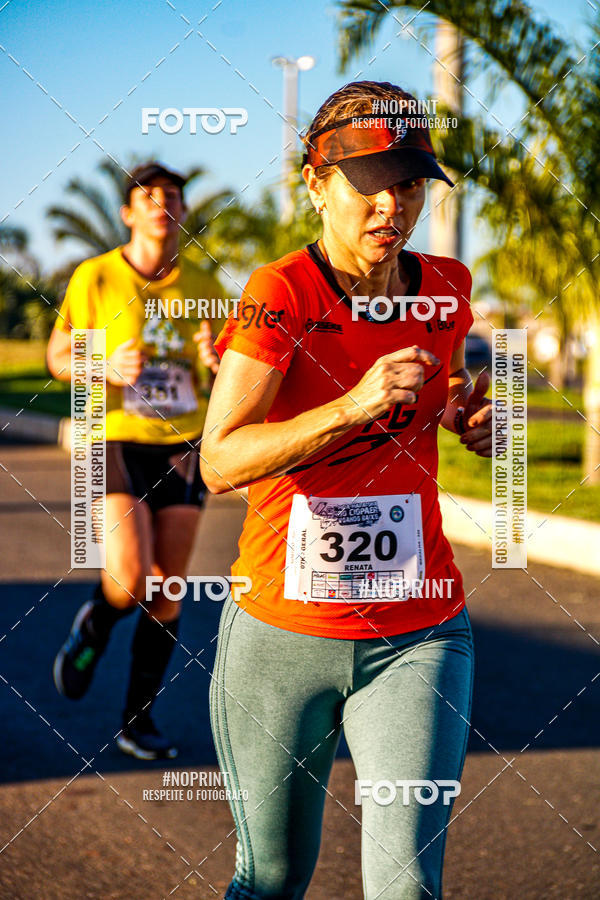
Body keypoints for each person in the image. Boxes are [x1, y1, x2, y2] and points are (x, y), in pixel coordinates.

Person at [201, 81, 492, 898]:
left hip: (419, 628)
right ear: (315, 183)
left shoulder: (447, 287)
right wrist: (353, 402)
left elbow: (441, 395)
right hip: (280, 633)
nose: (390, 206)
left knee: (404, 887)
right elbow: (220, 459)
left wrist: (470, 423)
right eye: (368, 183)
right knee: (271, 880)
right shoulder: (280, 292)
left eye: (407, 185)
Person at [47, 161, 221, 760]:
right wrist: (101, 366)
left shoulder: (205, 283)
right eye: (147, 196)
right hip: (113, 433)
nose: (160, 203)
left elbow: (223, 372)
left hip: (181, 442)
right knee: (129, 578)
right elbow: (57, 359)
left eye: (171, 195)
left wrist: (216, 362)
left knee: (167, 589)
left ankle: (137, 722)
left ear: (182, 210)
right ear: (128, 212)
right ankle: (96, 621)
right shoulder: (94, 278)